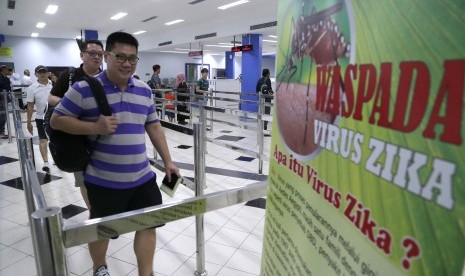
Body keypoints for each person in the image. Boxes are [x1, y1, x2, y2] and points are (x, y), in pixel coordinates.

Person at [50, 31, 179, 276]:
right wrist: (94, 127)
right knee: (103, 229)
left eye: (132, 58)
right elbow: (57, 120)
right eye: (120, 57)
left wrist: (168, 161)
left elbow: (153, 125)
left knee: (148, 225)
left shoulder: (144, 90)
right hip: (103, 179)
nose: (127, 63)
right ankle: (100, 267)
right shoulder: (84, 88)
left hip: (142, 177)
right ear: (107, 56)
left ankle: (146, 273)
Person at [48, 39, 104, 211]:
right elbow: (51, 98)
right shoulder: (70, 76)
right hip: (76, 139)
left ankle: (105, 210)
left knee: (103, 177)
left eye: (100, 54)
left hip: (102, 139)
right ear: (82, 55)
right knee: (83, 179)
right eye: (91, 53)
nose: (96, 57)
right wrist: (71, 105)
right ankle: (94, 213)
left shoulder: (106, 78)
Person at [26, 65, 53, 171]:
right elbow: (30, 105)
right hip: (41, 117)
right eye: (40, 72)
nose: (42, 74)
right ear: (36, 74)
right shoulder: (32, 88)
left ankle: (57, 159)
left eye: (44, 72)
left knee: (56, 139)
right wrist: (29, 122)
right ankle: (46, 162)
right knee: (43, 139)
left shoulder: (54, 85)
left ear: (48, 73)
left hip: (55, 117)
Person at [0, 65, 12, 139]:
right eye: (8, 69)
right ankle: (1, 132)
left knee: (4, 115)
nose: (9, 71)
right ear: (3, 69)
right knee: (2, 115)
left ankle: (2, 131)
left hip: (4, 98)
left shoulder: (7, 79)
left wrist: (8, 98)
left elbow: (8, 89)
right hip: (0, 99)